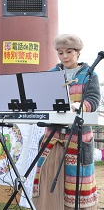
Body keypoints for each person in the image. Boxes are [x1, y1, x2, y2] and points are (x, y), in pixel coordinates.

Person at [32, 34, 100, 209]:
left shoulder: (89, 74)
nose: (65, 57)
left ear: (78, 52)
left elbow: (93, 100)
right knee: (49, 182)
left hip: (78, 138)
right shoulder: (51, 74)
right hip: (53, 137)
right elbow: (40, 99)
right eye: (60, 53)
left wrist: (80, 106)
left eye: (69, 52)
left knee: (76, 185)